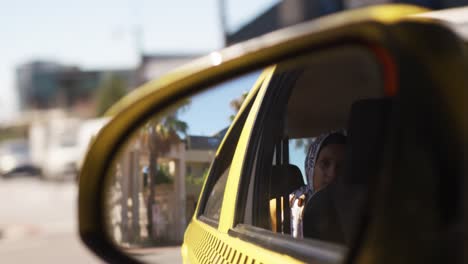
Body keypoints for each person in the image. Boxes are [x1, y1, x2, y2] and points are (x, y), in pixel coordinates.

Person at [290, 130, 346, 239]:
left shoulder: (357, 208)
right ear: (311, 168)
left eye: (342, 166)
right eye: (325, 163)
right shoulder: (286, 207)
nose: (333, 173)